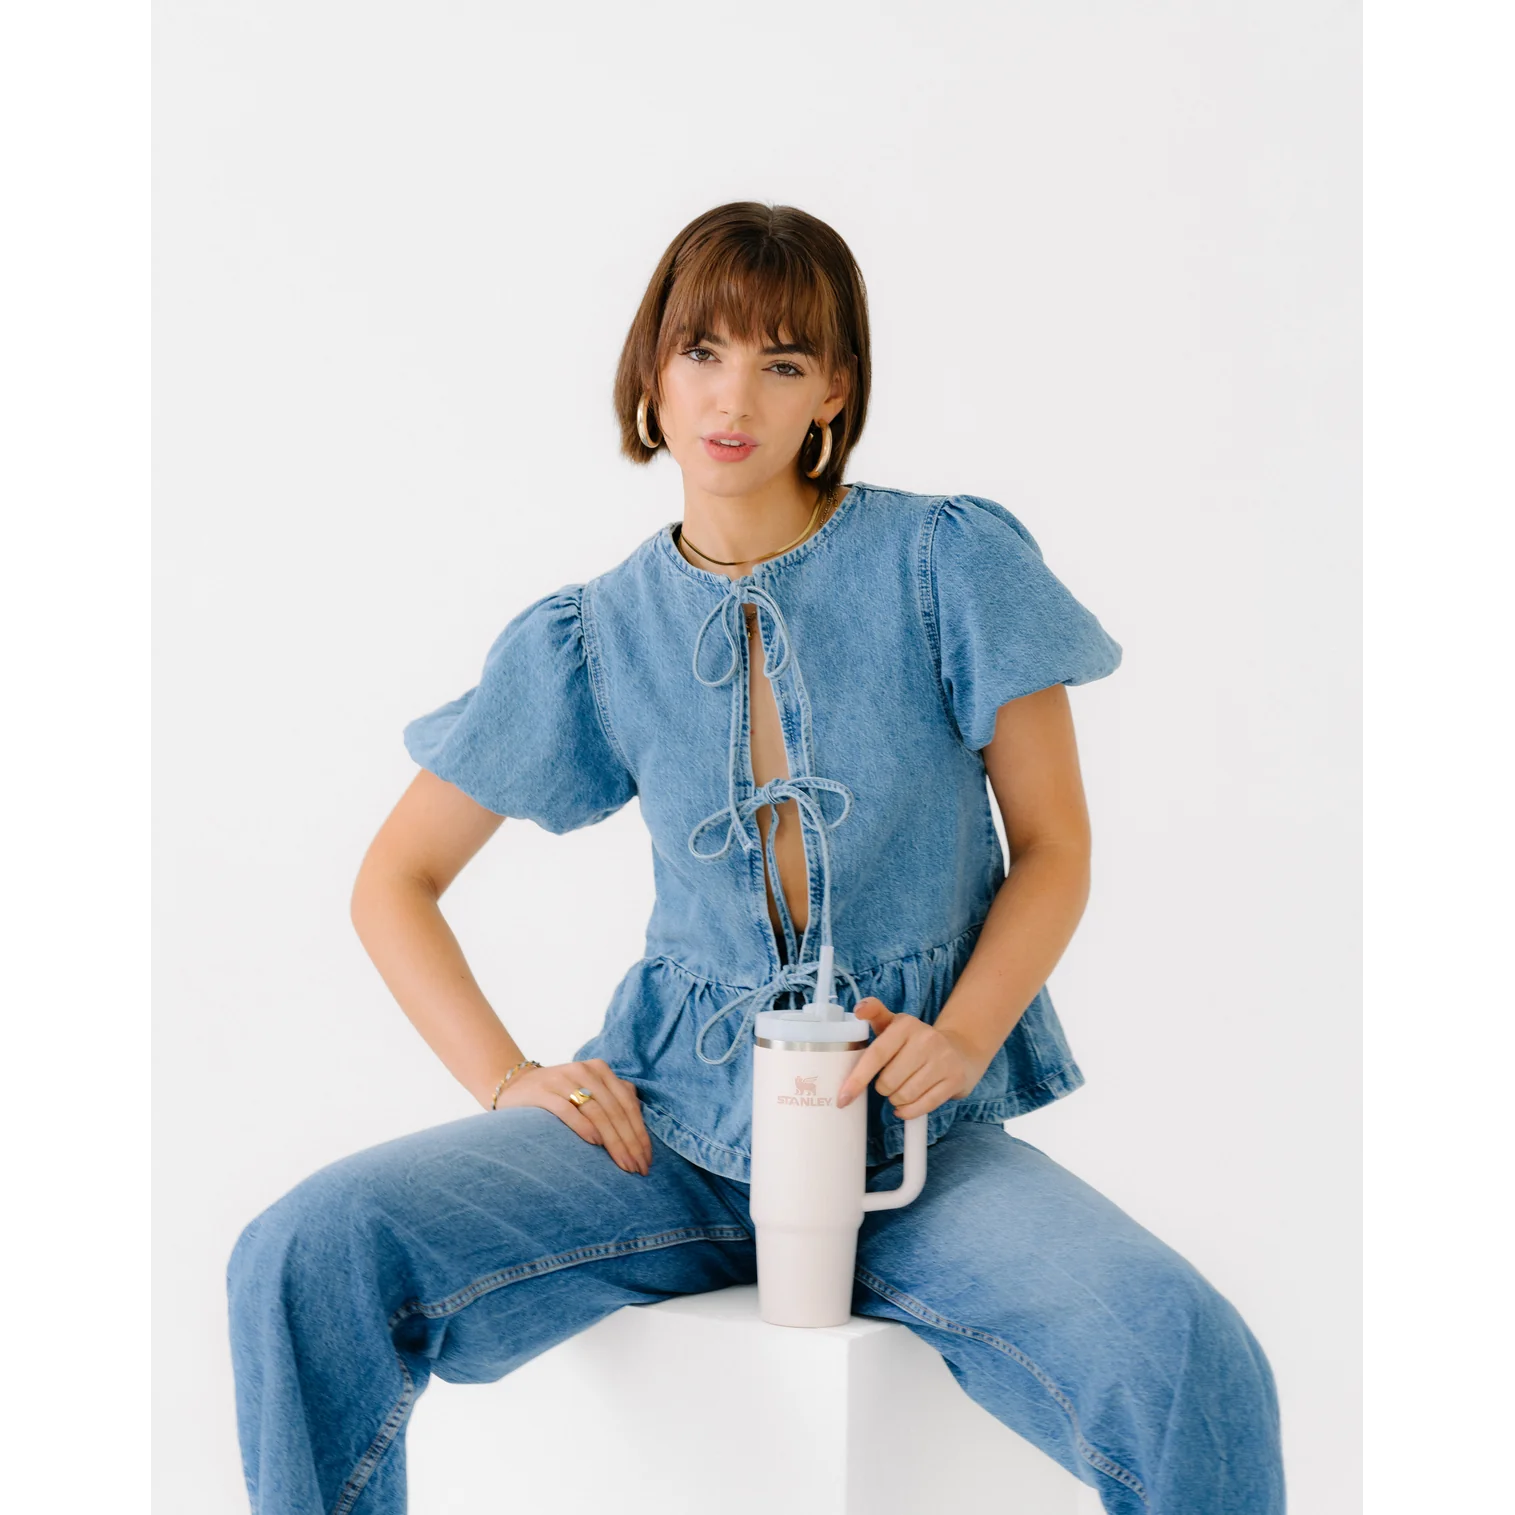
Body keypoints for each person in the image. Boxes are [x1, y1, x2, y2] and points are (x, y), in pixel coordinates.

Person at [226, 201, 1284, 1514]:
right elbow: (394, 882)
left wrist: (962, 1038)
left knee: (1186, 1353)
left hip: (914, 1140)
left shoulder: (945, 563)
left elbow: (1056, 846)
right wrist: (508, 1078)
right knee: (304, 1253)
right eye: (702, 352)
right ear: (652, 373)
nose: (734, 397)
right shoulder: (593, 634)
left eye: (782, 362)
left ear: (833, 390)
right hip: (662, 1128)